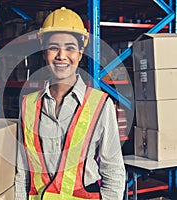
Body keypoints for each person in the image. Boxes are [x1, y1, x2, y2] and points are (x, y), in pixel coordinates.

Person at [14, 7, 125, 200]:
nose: (61, 55)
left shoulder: (100, 104)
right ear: (44, 52)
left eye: (70, 48)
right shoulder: (28, 105)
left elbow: (113, 172)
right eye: (53, 47)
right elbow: (23, 173)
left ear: (81, 53)